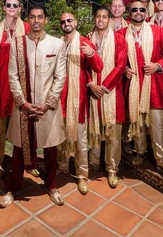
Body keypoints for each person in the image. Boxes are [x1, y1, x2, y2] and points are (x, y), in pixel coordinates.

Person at [0, 5, 67, 208]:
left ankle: (52, 186)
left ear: (46, 20)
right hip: (24, 107)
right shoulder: (17, 44)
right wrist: (23, 103)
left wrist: (48, 104)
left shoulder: (57, 44)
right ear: (27, 20)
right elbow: (12, 76)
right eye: (32, 17)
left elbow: (60, 76)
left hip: (49, 107)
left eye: (40, 17)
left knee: (50, 148)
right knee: (19, 150)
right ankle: (13, 188)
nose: (36, 20)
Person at [119, 1, 163, 183]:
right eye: (134, 10)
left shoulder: (158, 31)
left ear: (147, 12)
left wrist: (158, 65)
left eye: (141, 9)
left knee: (157, 125)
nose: (138, 12)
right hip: (133, 86)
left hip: (153, 85)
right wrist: (123, 69)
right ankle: (140, 151)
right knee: (137, 122)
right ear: (129, 13)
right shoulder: (121, 34)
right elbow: (115, 57)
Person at [58, 12, 102, 195]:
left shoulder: (84, 42)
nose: (67, 23)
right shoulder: (58, 43)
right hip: (60, 96)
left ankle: (82, 175)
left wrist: (92, 54)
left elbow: (98, 67)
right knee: (59, 134)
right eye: (63, 22)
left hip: (78, 98)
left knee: (80, 138)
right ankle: (61, 166)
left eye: (69, 20)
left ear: (75, 22)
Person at [0, 0, 30, 179]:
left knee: (24, 125)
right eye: (8, 5)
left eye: (15, 5)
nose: (12, 8)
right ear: (3, 8)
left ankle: (26, 161)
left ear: (20, 9)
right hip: (1, 85)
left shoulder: (27, 28)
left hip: (22, 86)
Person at [87, 7, 128, 189]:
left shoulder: (119, 40)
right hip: (93, 91)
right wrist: (90, 84)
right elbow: (83, 67)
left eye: (104, 17)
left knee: (113, 133)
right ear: (94, 19)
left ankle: (112, 168)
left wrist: (104, 86)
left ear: (109, 20)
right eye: (98, 16)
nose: (101, 20)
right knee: (94, 129)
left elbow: (121, 65)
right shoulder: (88, 40)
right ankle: (94, 163)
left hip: (111, 92)